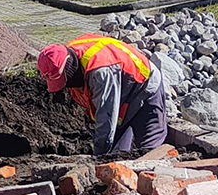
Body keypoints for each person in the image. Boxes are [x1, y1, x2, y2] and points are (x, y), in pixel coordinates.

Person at [37, 34, 167, 156]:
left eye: (62, 80)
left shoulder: (100, 73)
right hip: (122, 90)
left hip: (145, 85)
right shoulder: (71, 55)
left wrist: (98, 156)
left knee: (149, 151)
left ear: (68, 67)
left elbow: (107, 117)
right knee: (117, 154)